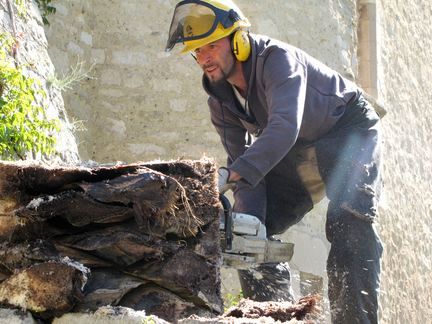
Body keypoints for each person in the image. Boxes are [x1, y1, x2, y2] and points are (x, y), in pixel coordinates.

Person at [165, 1, 383, 323]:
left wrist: (228, 175)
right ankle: (273, 315)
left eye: (212, 45)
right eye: (197, 51)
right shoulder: (219, 100)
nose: (204, 58)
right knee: (247, 236)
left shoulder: (278, 60)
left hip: (347, 131)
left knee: (347, 221)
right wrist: (247, 222)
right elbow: (243, 164)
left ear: (238, 40)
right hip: (295, 149)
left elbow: (283, 127)